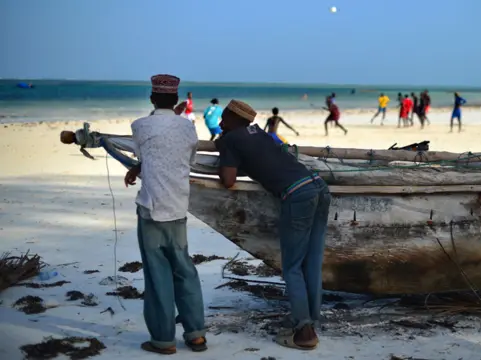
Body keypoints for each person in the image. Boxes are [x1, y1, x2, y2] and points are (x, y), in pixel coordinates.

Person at [215, 100, 331, 351]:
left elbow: (227, 180)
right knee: (311, 261)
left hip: (297, 195)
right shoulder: (263, 134)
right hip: (319, 187)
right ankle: (310, 319)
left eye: (224, 118)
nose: (220, 123)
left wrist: (221, 147)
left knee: (291, 267)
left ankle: (304, 333)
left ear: (235, 120)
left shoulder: (231, 139)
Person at [123, 74, 207, 354]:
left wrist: (137, 168)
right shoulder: (188, 129)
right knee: (184, 270)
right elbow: (188, 160)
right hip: (178, 207)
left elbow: (144, 156)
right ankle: (196, 334)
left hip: (151, 209)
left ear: (151, 99)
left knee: (157, 274)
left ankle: (163, 339)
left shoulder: (140, 125)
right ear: (176, 101)